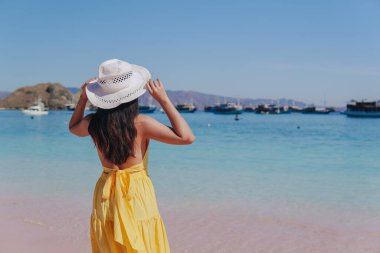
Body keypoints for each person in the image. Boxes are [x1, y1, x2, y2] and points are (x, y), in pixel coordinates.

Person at [68, 59, 195, 253]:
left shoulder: (93, 123)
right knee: (143, 241)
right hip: (135, 192)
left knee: (108, 244)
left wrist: (83, 99)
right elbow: (186, 137)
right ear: (132, 96)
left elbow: (73, 129)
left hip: (106, 191)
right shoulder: (142, 124)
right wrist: (163, 100)